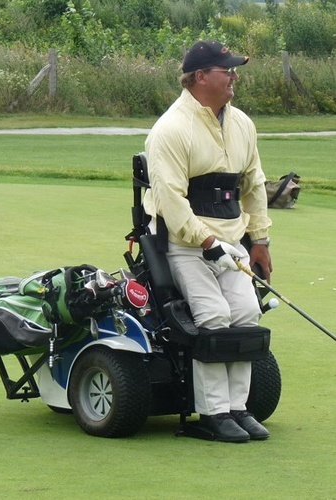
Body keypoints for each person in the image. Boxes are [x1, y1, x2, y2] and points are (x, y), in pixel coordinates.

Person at [143, 40, 273, 443]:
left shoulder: (242, 124)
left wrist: (261, 240)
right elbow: (169, 200)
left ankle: (238, 408)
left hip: (230, 242)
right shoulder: (171, 128)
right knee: (214, 317)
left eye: (234, 70)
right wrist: (205, 241)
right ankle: (213, 414)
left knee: (246, 312)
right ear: (200, 77)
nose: (234, 76)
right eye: (226, 70)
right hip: (183, 243)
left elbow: (253, 185)